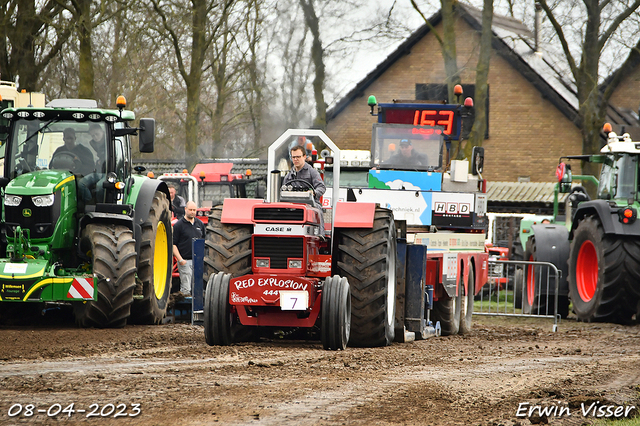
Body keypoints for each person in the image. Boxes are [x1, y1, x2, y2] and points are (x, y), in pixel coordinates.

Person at [172, 201, 206, 296]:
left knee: (198, 288)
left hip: (197, 261)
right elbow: (173, 244)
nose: (192, 212)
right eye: (190, 210)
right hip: (185, 261)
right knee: (186, 289)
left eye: (194, 210)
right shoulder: (179, 225)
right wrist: (181, 260)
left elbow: (203, 241)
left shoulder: (200, 224)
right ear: (185, 209)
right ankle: (185, 309)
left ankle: (196, 310)